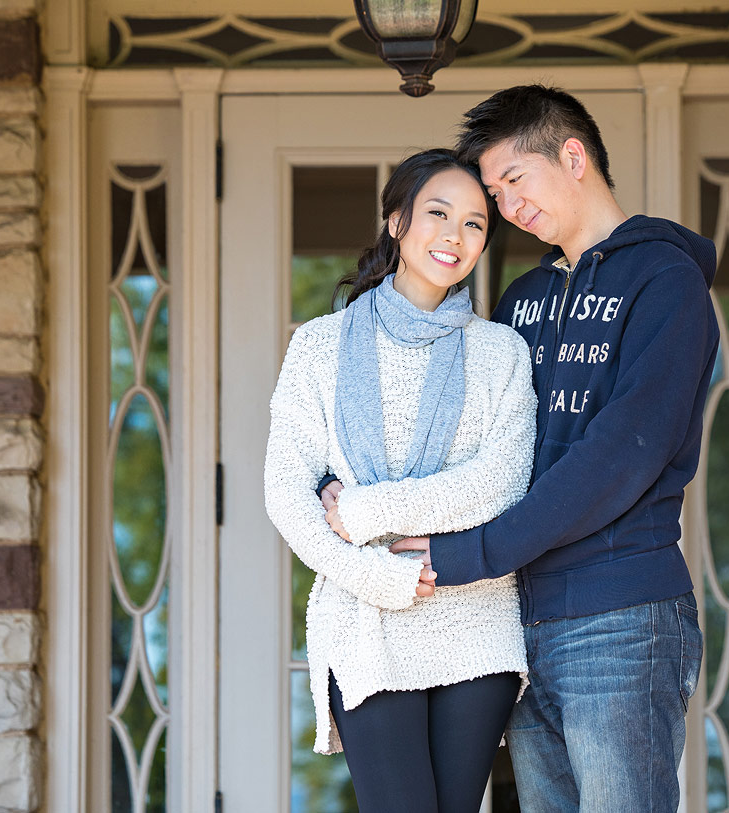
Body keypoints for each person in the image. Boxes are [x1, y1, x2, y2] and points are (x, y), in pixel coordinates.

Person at [358, 85, 720, 811]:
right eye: (495, 194)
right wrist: (358, 495)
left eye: (514, 181)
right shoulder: (520, 300)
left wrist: (468, 553)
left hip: (621, 615)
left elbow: (618, 456)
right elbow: (472, 439)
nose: (508, 207)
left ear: (574, 155)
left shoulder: (664, 282)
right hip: (518, 625)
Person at [263, 148, 538, 813]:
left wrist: (363, 510)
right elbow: (286, 493)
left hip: (476, 618)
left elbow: (499, 484)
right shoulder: (319, 347)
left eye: (475, 224)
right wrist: (376, 576)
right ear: (396, 221)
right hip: (365, 620)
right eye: (438, 214)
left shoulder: (499, 350)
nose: (454, 236)